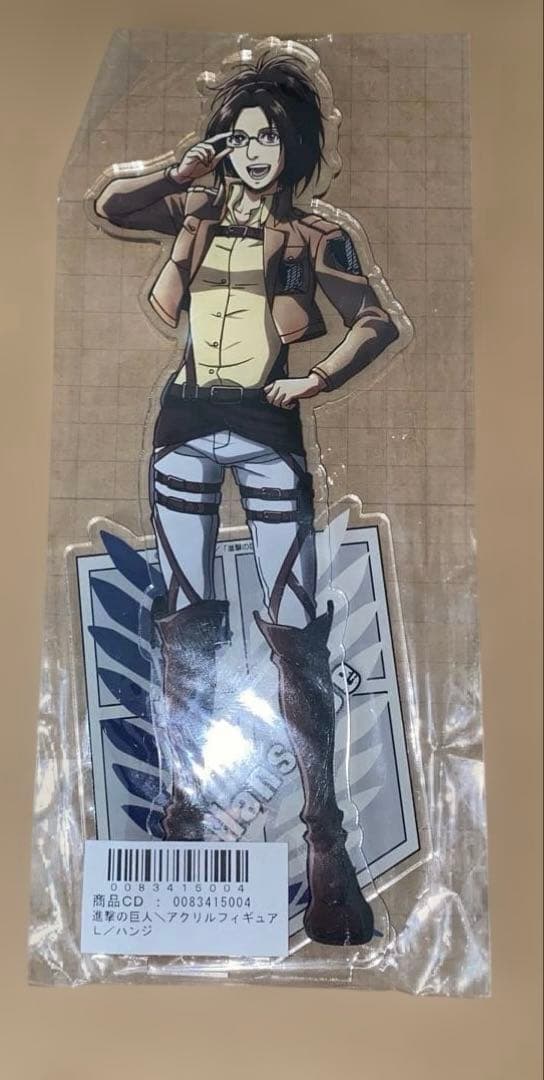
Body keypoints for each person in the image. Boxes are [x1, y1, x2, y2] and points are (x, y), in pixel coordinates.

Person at [93, 54, 399, 946]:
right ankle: (185, 830)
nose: (256, 152)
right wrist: (181, 168)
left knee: (296, 628)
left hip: (267, 427)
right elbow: (112, 206)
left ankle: (327, 847)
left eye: (270, 138)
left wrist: (316, 381)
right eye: (243, 136)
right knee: (183, 622)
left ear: (296, 147)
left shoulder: (317, 234)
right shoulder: (192, 212)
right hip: (185, 420)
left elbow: (376, 320)